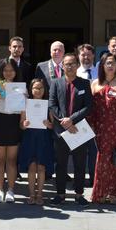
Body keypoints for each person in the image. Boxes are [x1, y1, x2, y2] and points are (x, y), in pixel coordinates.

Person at [89, 53, 116, 204]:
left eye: (113, 63)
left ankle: (114, 193)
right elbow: (91, 109)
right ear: (102, 65)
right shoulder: (95, 84)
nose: (110, 65)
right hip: (100, 129)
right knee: (102, 162)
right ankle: (101, 192)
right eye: (108, 63)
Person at [49, 53, 92, 206]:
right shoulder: (55, 83)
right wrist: (64, 121)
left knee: (80, 164)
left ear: (77, 65)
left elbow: (88, 106)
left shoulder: (85, 84)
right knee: (60, 164)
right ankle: (60, 194)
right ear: (63, 66)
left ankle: (79, 195)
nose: (70, 66)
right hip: (61, 131)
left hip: (78, 129)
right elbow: (52, 105)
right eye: (67, 64)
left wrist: (72, 120)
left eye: (73, 63)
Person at [0, 58, 23, 203]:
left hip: (13, 123)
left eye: (11, 70)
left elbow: (23, 109)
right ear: (1, 71)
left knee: (12, 160)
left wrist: (24, 100)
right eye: (5, 70)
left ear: (16, 72)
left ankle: (11, 189)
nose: (8, 73)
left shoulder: (21, 87)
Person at [18, 79, 54, 205]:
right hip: (30, 137)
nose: (38, 91)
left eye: (41, 88)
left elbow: (53, 126)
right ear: (31, 90)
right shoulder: (26, 104)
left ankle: (40, 194)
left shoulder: (48, 105)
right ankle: (31, 194)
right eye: (35, 88)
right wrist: (24, 124)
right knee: (32, 167)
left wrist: (48, 124)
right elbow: (21, 125)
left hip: (43, 138)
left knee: (41, 168)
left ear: (44, 90)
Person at [76, 43, 98, 187]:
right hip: (80, 115)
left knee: (94, 149)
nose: (86, 57)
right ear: (79, 56)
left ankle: (94, 178)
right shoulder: (75, 73)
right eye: (83, 54)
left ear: (93, 56)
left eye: (89, 55)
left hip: (97, 116)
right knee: (79, 150)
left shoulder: (99, 72)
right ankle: (79, 178)